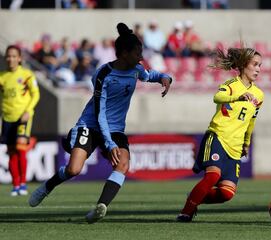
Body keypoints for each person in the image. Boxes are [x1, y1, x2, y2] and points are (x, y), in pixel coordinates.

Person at [28, 23, 172, 224]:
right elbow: (99, 113)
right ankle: (47, 187)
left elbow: (150, 75)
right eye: (137, 53)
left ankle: (100, 207)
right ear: (123, 53)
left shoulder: (136, 69)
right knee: (73, 170)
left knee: (123, 164)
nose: (141, 57)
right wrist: (110, 143)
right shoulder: (103, 74)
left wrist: (165, 77)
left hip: (116, 129)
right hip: (91, 124)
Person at [176, 47, 264, 222]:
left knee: (226, 193)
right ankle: (186, 212)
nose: (258, 69)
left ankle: (195, 196)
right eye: (255, 64)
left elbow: (251, 120)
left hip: (236, 146)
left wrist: (246, 143)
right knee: (212, 176)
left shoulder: (259, 95)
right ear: (243, 65)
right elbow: (217, 97)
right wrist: (237, 97)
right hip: (218, 136)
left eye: (260, 65)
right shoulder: (231, 85)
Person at [0, 45, 40, 196]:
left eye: (13, 56)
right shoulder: (2, 77)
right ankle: (15, 185)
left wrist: (28, 111)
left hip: (23, 118)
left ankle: (23, 184)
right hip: (7, 118)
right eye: (8, 56)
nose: (10, 59)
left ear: (19, 58)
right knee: (11, 153)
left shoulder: (27, 75)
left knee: (21, 150)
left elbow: (35, 94)